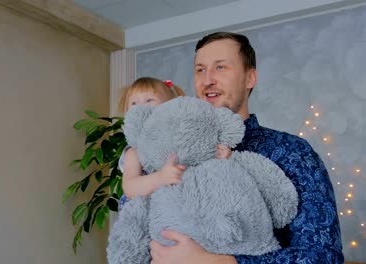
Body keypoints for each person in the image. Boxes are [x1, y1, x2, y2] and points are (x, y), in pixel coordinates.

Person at [149, 32, 344, 263]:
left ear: (249, 78)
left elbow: (323, 256)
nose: (207, 80)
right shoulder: (170, 152)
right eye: (200, 69)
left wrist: (218, 262)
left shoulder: (293, 152)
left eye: (220, 67)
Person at [117, 77, 231, 210]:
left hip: (181, 208)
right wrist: (160, 177)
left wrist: (219, 156)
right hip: (146, 213)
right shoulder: (134, 152)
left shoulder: (183, 142)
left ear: (170, 107)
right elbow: (130, 188)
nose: (141, 107)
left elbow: (200, 165)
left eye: (150, 100)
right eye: (134, 103)